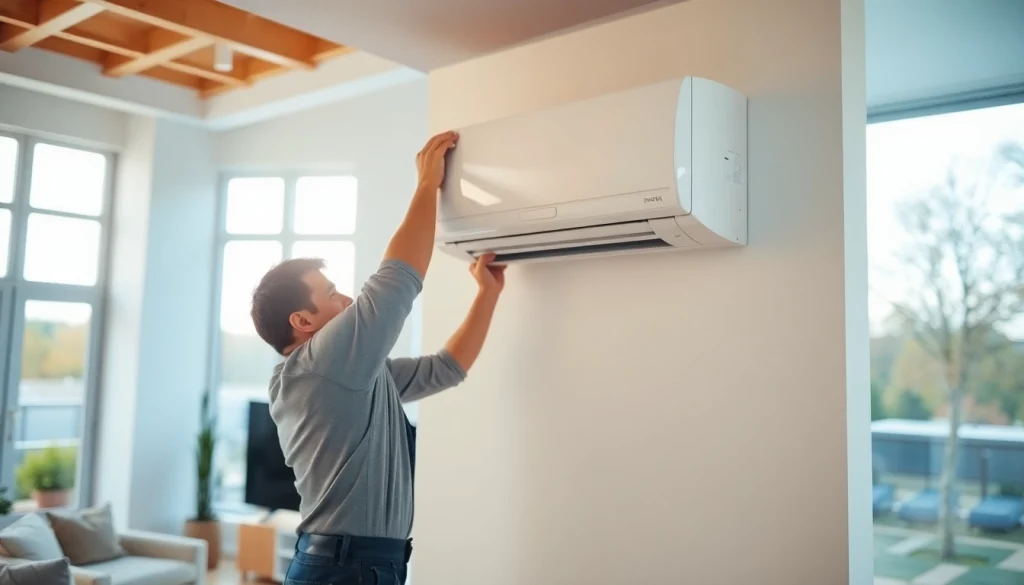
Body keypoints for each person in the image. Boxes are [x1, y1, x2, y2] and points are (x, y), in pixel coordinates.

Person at [249, 130, 505, 585]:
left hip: (357, 564)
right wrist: (428, 184)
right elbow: (395, 281)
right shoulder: (322, 364)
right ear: (302, 321)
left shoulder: (350, 376)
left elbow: (446, 369)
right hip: (347, 567)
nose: (346, 300)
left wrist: (488, 294)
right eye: (330, 294)